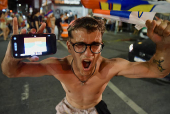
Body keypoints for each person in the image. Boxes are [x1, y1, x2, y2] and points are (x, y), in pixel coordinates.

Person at [1, 17, 170, 114]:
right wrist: (13, 53)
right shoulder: (58, 66)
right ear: (69, 46)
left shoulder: (110, 67)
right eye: (80, 45)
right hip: (68, 109)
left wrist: (164, 46)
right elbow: (11, 71)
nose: (88, 54)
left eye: (95, 45)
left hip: (95, 108)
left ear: (102, 44)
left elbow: (157, 70)